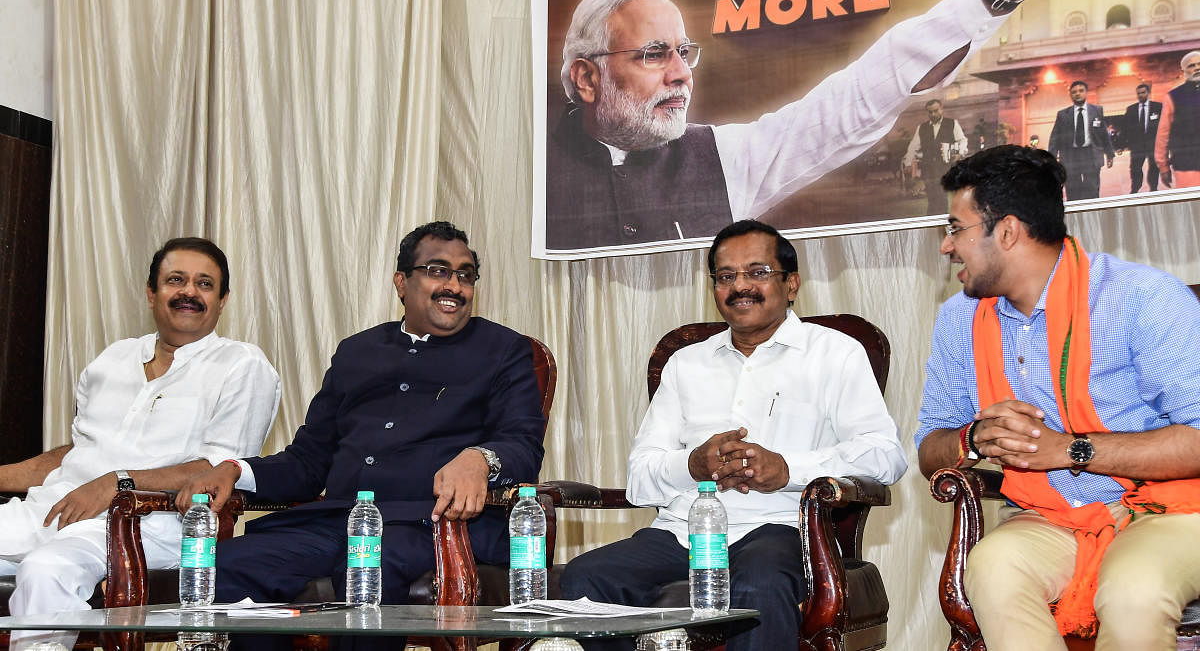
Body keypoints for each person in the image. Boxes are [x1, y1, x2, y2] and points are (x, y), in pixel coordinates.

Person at [544, 0, 1084, 249]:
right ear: (587, 78)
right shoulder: (530, 169)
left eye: (684, 53)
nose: (682, 73)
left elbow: (858, 97)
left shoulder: (724, 158)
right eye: (654, 55)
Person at [177, 221, 546, 650]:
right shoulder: (357, 352)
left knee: (367, 563)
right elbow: (308, 461)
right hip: (337, 519)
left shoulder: (503, 349)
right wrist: (233, 470)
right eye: (438, 270)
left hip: (432, 525)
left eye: (465, 275)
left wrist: (480, 459)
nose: (455, 286)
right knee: (228, 566)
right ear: (401, 282)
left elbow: (523, 443)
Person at [560, 219, 907, 650]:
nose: (740, 286)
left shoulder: (834, 354)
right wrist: (693, 464)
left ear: (792, 283)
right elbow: (640, 479)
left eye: (757, 272)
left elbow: (885, 455)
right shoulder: (686, 363)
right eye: (726, 276)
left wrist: (787, 469)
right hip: (681, 533)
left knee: (759, 586)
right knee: (584, 579)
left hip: (780, 528)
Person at [915, 145, 1200, 651]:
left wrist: (1070, 450)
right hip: (1051, 516)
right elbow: (929, 448)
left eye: (955, 229)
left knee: (1134, 591)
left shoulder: (1142, 299)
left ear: (1006, 231)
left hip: (1168, 510)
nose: (946, 246)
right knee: (992, 566)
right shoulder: (959, 320)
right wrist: (974, 437)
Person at [0, 237, 280, 651]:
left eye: (204, 283)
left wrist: (119, 482)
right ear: (152, 293)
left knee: (47, 571)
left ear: (222, 301)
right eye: (175, 280)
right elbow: (79, 450)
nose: (189, 291)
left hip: (146, 522)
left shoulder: (242, 365)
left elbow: (217, 468)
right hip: (54, 508)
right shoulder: (112, 359)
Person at [1047, 80, 1114, 200]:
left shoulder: (1096, 110)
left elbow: (1103, 133)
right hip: (1070, 157)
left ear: (1086, 93)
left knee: (1092, 190)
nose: (1077, 94)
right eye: (1074, 92)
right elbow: (1055, 137)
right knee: (1073, 191)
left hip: (1091, 155)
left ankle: (1093, 215)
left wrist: (1110, 154)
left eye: (1081, 91)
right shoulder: (1063, 115)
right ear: (1070, 95)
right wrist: (1051, 159)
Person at [903, 99, 968, 215]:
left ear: (941, 109)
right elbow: (913, 146)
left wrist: (960, 152)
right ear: (927, 112)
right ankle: (932, 222)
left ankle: (939, 223)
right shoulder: (921, 127)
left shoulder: (952, 123)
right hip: (928, 170)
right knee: (932, 198)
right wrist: (908, 163)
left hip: (945, 169)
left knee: (941, 198)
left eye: (935, 111)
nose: (933, 114)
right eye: (930, 112)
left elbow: (962, 140)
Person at [1154, 50, 1200, 189]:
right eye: (1191, 66)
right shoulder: (1173, 97)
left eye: (1199, 64)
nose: (1197, 68)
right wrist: (1163, 166)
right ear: (1184, 71)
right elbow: (1163, 134)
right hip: (1188, 166)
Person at [1122, 83, 1161, 194]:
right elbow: (1125, 128)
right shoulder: (1131, 109)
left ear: (1148, 93)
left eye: (1143, 92)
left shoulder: (1158, 107)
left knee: (1154, 167)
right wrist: (1120, 145)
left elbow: (1164, 126)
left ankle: (1153, 188)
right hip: (1137, 146)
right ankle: (1135, 188)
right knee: (1135, 169)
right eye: (1138, 93)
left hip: (1153, 145)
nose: (1140, 95)